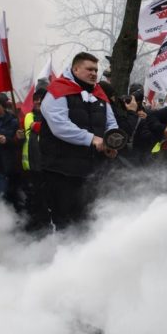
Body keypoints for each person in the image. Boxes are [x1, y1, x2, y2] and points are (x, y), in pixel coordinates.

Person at [39, 52, 118, 230]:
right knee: (66, 222)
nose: (93, 73)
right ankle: (64, 256)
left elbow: (111, 123)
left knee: (90, 220)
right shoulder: (57, 91)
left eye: (96, 70)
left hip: (93, 171)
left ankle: (88, 257)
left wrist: (111, 143)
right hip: (62, 170)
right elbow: (59, 126)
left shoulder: (99, 94)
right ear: (75, 69)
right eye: (89, 69)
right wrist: (92, 139)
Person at [21, 86, 48, 231]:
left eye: (41, 99)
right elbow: (33, 126)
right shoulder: (29, 116)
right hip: (31, 165)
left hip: (47, 164)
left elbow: (47, 128)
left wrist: (38, 126)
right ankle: (35, 223)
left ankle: (45, 223)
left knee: (46, 196)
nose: (37, 102)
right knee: (34, 196)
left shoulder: (52, 114)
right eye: (35, 99)